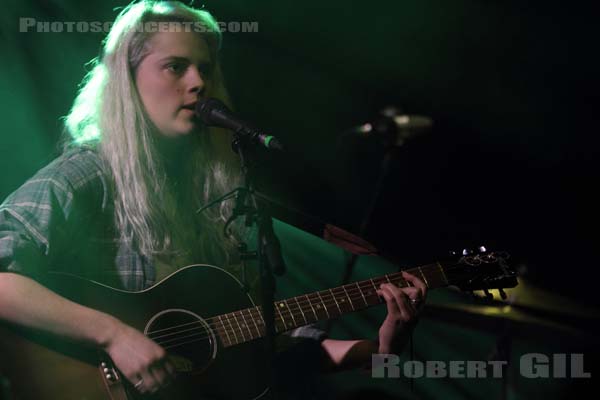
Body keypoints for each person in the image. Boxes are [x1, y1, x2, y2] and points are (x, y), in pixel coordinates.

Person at [0, 1, 427, 397]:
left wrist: (382, 349)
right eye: (175, 67)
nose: (198, 82)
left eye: (204, 68)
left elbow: (266, 343)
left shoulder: (215, 198)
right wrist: (114, 333)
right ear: (127, 81)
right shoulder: (87, 173)